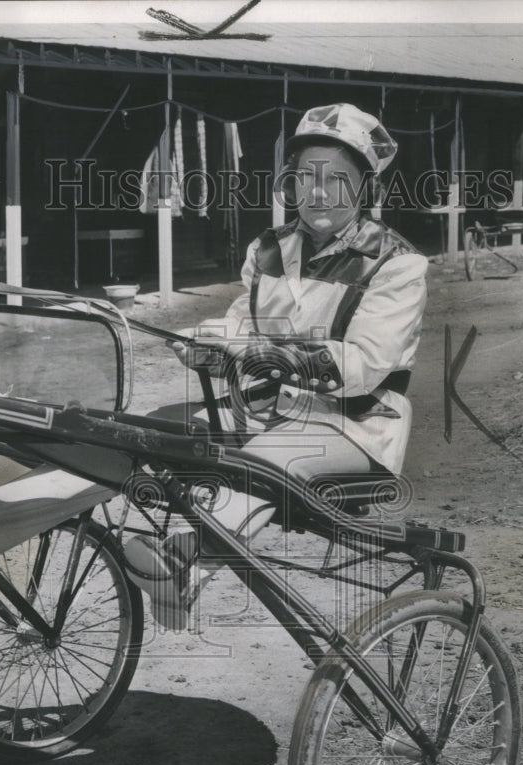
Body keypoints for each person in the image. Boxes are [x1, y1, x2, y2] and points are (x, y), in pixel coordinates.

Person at [125, 103, 429, 629]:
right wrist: (204, 345)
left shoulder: (397, 265)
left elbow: (363, 365)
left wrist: (275, 356)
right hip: (267, 411)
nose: (317, 193)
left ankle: (176, 561)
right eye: (305, 176)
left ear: (365, 188)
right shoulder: (268, 248)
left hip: (355, 426)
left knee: (263, 461)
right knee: (145, 429)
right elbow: (241, 328)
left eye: (337, 179)